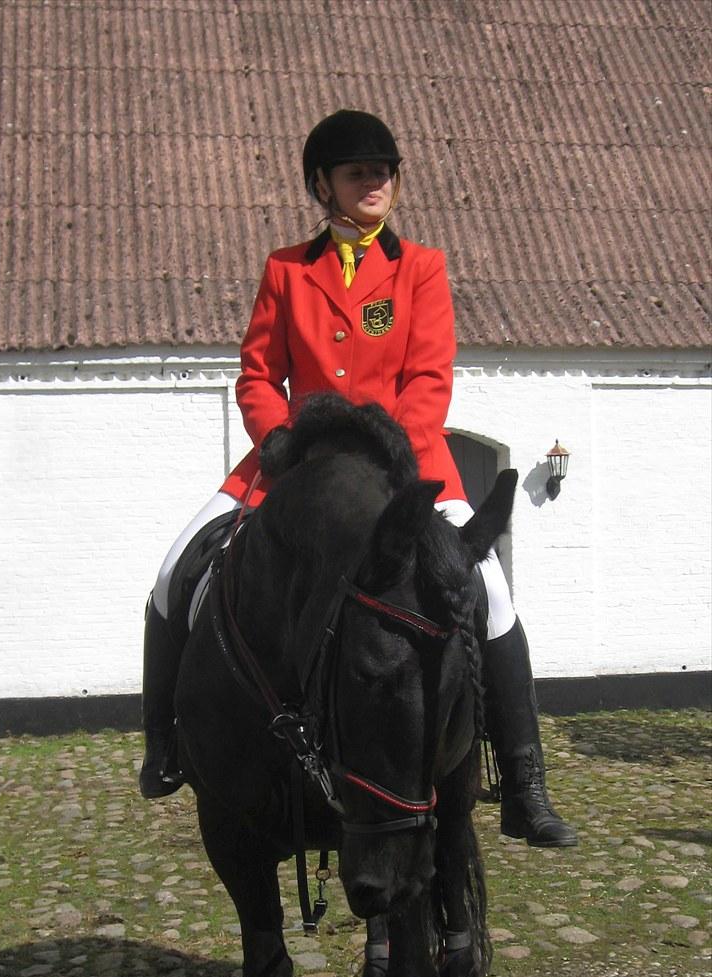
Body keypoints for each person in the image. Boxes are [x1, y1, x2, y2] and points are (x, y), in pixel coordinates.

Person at [140, 109, 577, 848]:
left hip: (408, 466)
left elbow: (429, 377)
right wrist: (278, 442)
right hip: (291, 468)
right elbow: (256, 374)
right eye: (356, 173)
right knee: (172, 571)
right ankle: (165, 746)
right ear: (324, 186)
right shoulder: (286, 269)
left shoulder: (422, 269)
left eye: (382, 171)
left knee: (492, 591)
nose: (373, 183)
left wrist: (389, 460)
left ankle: (525, 780)